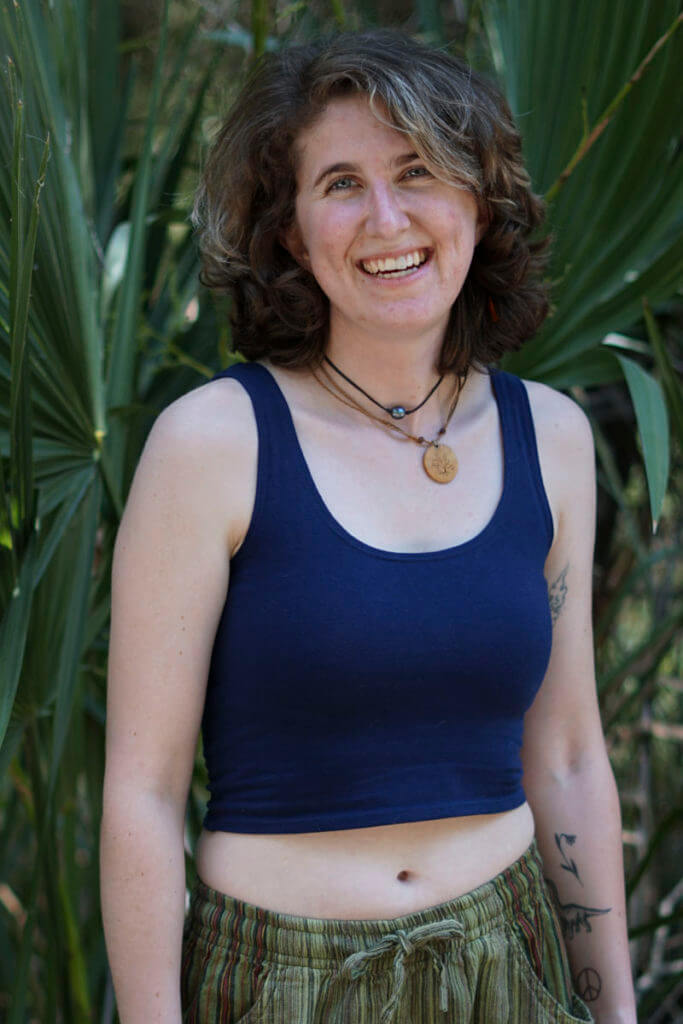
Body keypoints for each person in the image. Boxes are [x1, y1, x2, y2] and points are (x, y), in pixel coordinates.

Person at [100, 30, 637, 1024]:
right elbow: (143, 786)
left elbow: (563, 754)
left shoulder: (549, 437)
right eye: (340, 183)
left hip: (503, 962)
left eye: (417, 171)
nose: (386, 217)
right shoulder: (212, 442)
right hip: (283, 980)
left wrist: (612, 1010)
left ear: (477, 200)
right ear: (293, 232)